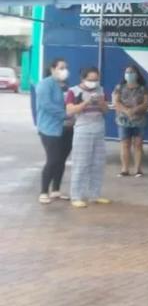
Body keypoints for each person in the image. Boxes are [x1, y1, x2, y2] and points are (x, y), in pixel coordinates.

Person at [66, 67, 110, 208]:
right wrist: (86, 103)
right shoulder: (74, 91)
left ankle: (94, 194)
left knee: (98, 164)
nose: (93, 82)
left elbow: (106, 110)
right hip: (83, 130)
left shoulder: (101, 90)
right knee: (81, 164)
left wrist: (101, 103)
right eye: (90, 79)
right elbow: (70, 111)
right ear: (83, 78)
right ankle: (76, 196)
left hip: (99, 129)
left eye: (96, 79)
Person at [35, 58, 73, 204]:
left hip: (67, 128)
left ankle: (56, 190)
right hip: (50, 128)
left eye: (66, 67)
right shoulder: (45, 84)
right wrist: (66, 115)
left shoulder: (65, 86)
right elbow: (46, 105)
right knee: (53, 159)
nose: (64, 71)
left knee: (61, 160)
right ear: (52, 69)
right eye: (61, 68)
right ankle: (44, 191)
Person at [113, 65, 148, 178]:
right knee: (125, 144)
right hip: (123, 120)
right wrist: (126, 111)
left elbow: (146, 103)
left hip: (139, 120)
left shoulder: (143, 88)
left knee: (138, 144)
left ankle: (138, 169)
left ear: (137, 74)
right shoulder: (119, 87)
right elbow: (116, 102)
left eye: (132, 72)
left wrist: (135, 110)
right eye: (127, 72)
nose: (129, 74)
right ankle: (125, 169)